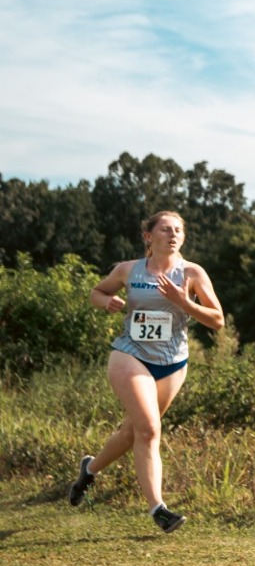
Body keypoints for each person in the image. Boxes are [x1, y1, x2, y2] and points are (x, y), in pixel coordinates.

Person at [67, 211, 225, 531]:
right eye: (166, 229)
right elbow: (97, 292)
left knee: (131, 432)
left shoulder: (192, 273)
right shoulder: (128, 270)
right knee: (150, 429)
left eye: (179, 230)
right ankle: (159, 509)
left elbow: (217, 320)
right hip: (130, 354)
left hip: (172, 363)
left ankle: (90, 469)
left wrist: (185, 302)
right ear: (148, 236)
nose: (173, 234)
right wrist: (106, 302)